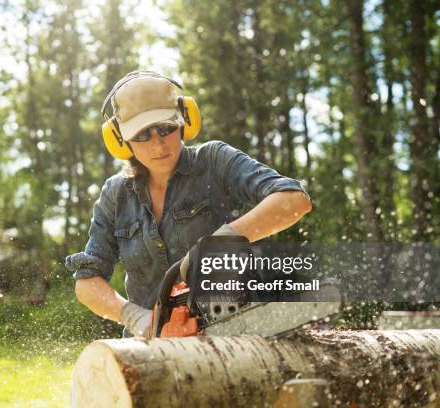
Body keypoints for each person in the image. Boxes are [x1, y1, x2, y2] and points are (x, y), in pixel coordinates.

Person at [65, 71, 312, 338]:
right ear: (120, 139)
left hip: (236, 334)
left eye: (166, 128)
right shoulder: (116, 194)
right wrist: (139, 319)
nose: (158, 143)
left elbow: (293, 199)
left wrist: (220, 243)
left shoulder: (214, 161)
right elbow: (87, 282)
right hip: (153, 347)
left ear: (185, 119)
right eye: (142, 134)